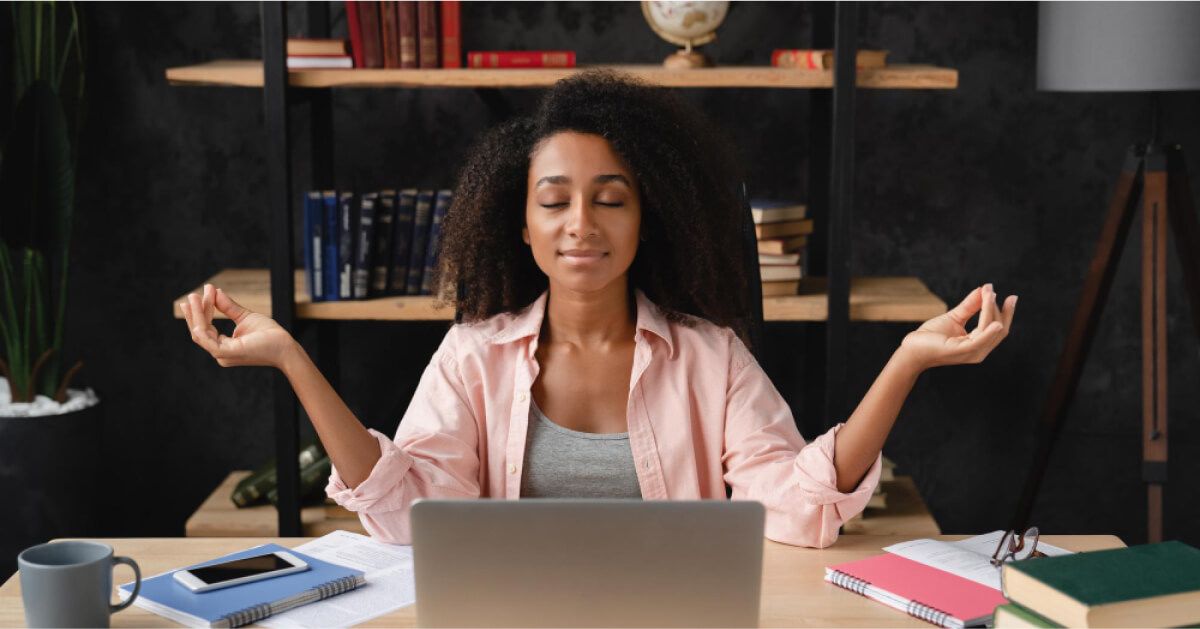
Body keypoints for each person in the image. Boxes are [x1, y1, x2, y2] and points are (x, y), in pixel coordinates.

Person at [179, 70, 1016, 548]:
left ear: (647, 217)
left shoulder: (710, 356)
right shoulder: (472, 355)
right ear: (523, 223)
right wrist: (291, 357)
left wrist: (905, 362)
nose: (581, 224)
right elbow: (404, 516)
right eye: (555, 201)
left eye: (610, 199)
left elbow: (800, 511)